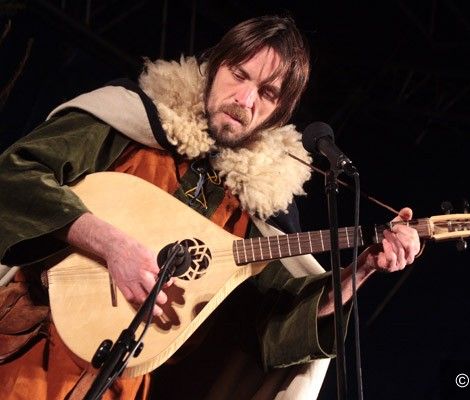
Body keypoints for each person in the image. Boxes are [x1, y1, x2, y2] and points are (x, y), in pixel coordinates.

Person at [0, 15, 420, 400]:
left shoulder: (257, 208)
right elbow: (14, 176)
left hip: (122, 385)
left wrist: (361, 269)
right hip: (24, 350)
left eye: (267, 93)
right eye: (239, 74)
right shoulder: (131, 120)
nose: (245, 99)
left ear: (279, 113)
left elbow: (272, 325)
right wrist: (111, 244)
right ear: (214, 66)